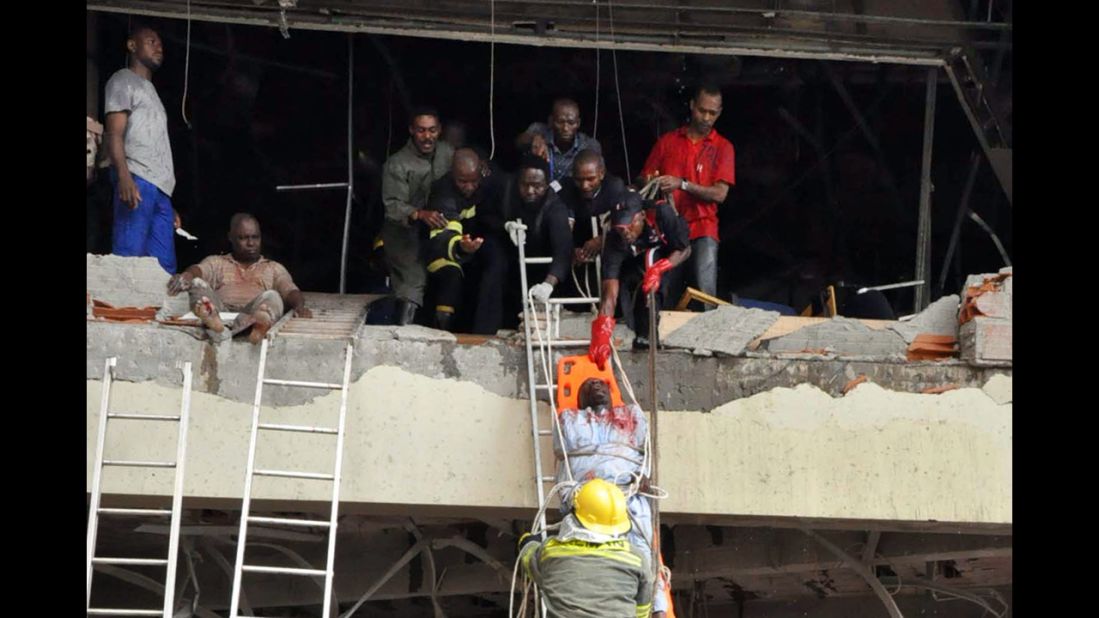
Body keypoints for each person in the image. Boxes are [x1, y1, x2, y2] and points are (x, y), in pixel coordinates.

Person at [553, 378, 671, 617]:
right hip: (589, 500)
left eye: (601, 384)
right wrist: (569, 499)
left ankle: (657, 608)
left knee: (642, 550)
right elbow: (565, 468)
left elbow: (644, 456)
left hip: (628, 494)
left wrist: (644, 480)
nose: (596, 386)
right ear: (580, 399)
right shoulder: (571, 421)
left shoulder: (631, 417)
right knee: (588, 559)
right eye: (588, 385)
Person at [640, 84, 735, 309]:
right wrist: (655, 183)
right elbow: (643, 179)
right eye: (702, 110)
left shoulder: (723, 147)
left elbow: (720, 194)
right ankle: (660, 339)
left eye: (713, 113)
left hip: (703, 228)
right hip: (668, 230)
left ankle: (706, 343)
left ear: (719, 113)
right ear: (692, 106)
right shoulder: (668, 141)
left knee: (705, 293)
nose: (706, 117)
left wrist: (682, 184)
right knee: (665, 290)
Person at [104, 23, 181, 274]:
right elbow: (114, 132)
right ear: (132, 45)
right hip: (136, 179)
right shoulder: (123, 79)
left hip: (159, 188)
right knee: (130, 256)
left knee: (163, 266)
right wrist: (125, 177)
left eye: (160, 43)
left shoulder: (152, 92)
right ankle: (123, 313)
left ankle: (155, 314)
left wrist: (169, 202)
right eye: (151, 41)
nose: (159, 47)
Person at [518, 478, 653, 618]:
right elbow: (642, 608)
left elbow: (529, 560)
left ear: (575, 511)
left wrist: (527, 542)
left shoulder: (551, 552)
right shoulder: (636, 558)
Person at [166, 214, 312, 344]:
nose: (251, 243)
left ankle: (260, 324)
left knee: (273, 296)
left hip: (253, 315)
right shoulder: (217, 262)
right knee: (197, 283)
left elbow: (290, 290)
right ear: (231, 237)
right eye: (243, 238)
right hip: (220, 313)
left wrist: (299, 306)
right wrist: (187, 276)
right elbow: (199, 269)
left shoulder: (273, 267)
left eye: (255, 237)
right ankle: (213, 321)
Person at [590, 197, 691, 360]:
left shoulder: (661, 213)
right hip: (639, 257)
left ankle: (652, 333)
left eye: (630, 226)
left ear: (642, 216)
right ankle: (640, 332)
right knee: (630, 282)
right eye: (621, 229)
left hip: (672, 254)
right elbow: (609, 291)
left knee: (654, 274)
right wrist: (601, 334)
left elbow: (684, 249)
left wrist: (659, 269)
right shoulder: (615, 240)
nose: (626, 233)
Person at [381, 106, 455, 325]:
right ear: (412, 130)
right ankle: (402, 336)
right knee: (413, 281)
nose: (427, 136)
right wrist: (418, 213)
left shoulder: (448, 153)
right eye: (421, 130)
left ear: (439, 130)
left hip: (438, 229)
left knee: (453, 271)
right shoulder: (397, 163)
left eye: (432, 130)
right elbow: (392, 206)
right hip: (403, 231)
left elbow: (469, 172)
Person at [422, 149, 487, 330]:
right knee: (452, 274)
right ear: (452, 174)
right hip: (434, 248)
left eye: (474, 181)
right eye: (462, 181)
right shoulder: (443, 193)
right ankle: (441, 333)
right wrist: (460, 246)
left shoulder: (485, 180)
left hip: (471, 246)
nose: (469, 186)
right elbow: (444, 236)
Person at [503, 156, 573, 303]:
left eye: (537, 185)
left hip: (543, 269)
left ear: (547, 184)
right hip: (509, 266)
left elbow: (563, 250)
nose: (530, 191)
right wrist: (506, 225)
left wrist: (548, 283)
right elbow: (487, 219)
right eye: (525, 184)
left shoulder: (556, 208)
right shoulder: (507, 193)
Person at [516, 98, 602, 183]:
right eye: (560, 122)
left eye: (571, 123)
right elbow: (518, 142)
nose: (565, 128)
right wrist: (533, 139)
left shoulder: (588, 145)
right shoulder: (539, 131)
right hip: (539, 191)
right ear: (551, 121)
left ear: (578, 123)